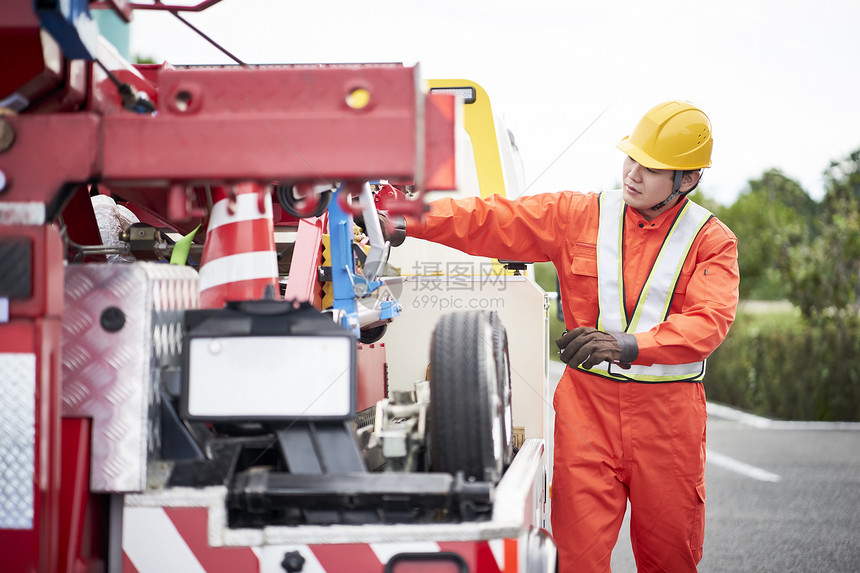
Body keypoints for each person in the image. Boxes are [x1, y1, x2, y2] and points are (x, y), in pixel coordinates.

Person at [398, 100, 740, 572]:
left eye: (652, 168)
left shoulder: (711, 241)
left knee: (670, 562)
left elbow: (710, 321)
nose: (634, 174)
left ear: (687, 180)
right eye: (631, 158)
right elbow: (492, 219)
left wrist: (630, 345)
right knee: (577, 561)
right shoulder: (579, 215)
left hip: (669, 425)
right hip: (587, 415)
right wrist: (408, 218)